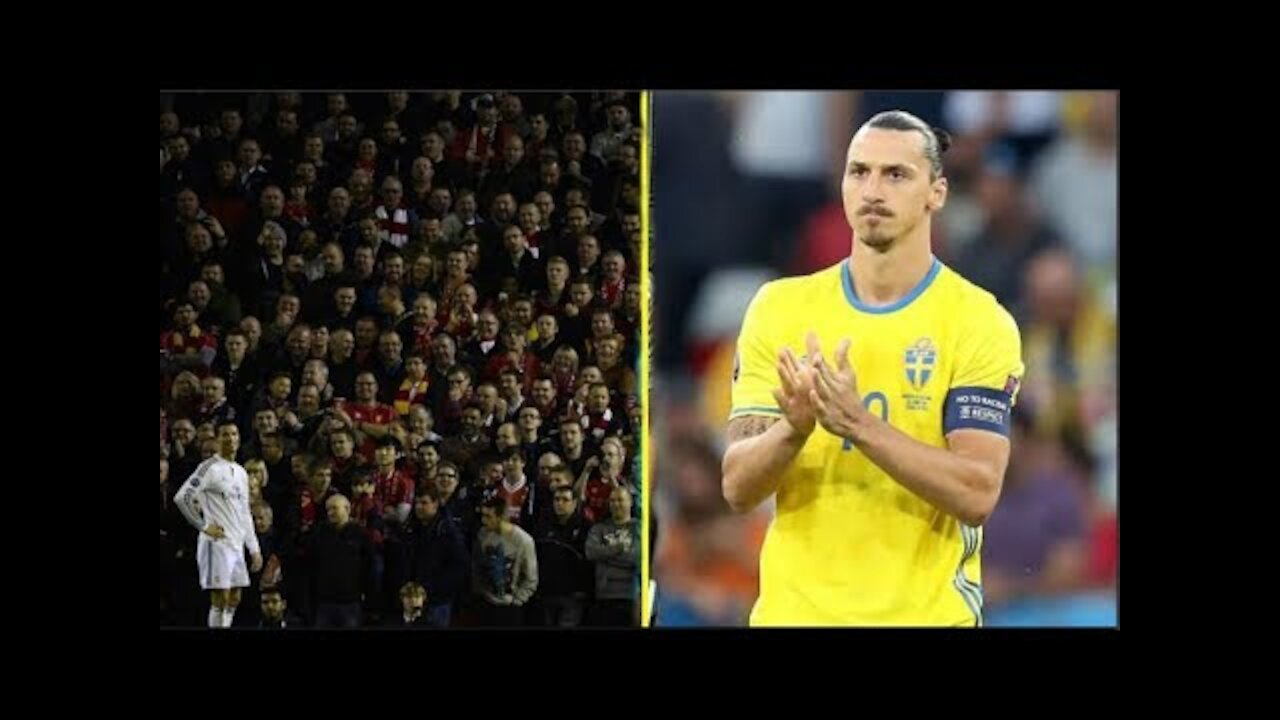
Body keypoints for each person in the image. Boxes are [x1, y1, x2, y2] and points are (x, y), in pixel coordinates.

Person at [722, 111, 1025, 627]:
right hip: (796, 615)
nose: (873, 190)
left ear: (937, 193)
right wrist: (793, 431)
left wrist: (858, 424)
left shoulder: (978, 321)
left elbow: (977, 492)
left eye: (896, 174)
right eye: (858, 171)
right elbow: (737, 488)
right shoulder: (779, 308)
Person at [173, 422, 263, 628]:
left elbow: (244, 512)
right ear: (217, 438)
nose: (230, 438)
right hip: (216, 543)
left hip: (236, 543)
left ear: (239, 438)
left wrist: (254, 548)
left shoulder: (240, 472)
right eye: (225, 435)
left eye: (234, 434)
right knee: (220, 598)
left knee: (235, 597)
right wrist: (203, 526)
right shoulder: (208, 468)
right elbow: (181, 498)